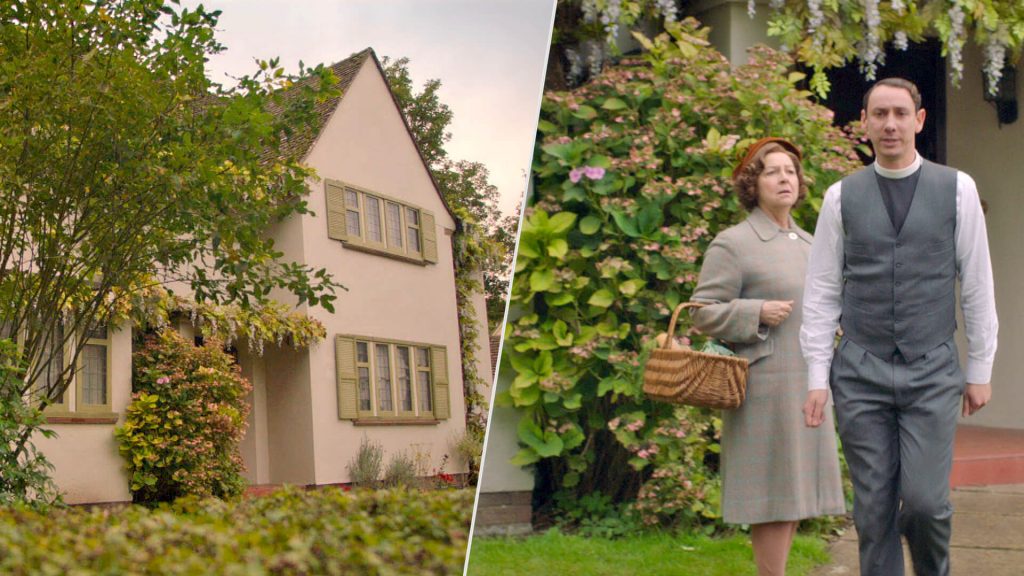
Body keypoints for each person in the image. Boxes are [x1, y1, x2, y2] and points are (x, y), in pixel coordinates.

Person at [801, 77, 998, 576]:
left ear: (919, 120)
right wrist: (816, 378)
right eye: (880, 114)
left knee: (927, 503)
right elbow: (822, 292)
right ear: (864, 123)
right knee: (873, 510)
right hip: (860, 371)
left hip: (931, 369)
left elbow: (976, 283)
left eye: (900, 114)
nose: (890, 124)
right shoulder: (839, 197)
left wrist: (980, 367)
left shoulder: (958, 189)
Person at [691, 137, 846, 576]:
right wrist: (754, 311)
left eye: (791, 171)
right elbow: (701, 313)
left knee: (792, 495)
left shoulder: (810, 241)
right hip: (765, 387)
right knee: (774, 497)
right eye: (773, 171)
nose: (785, 178)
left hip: (807, 385)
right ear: (752, 184)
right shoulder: (734, 243)